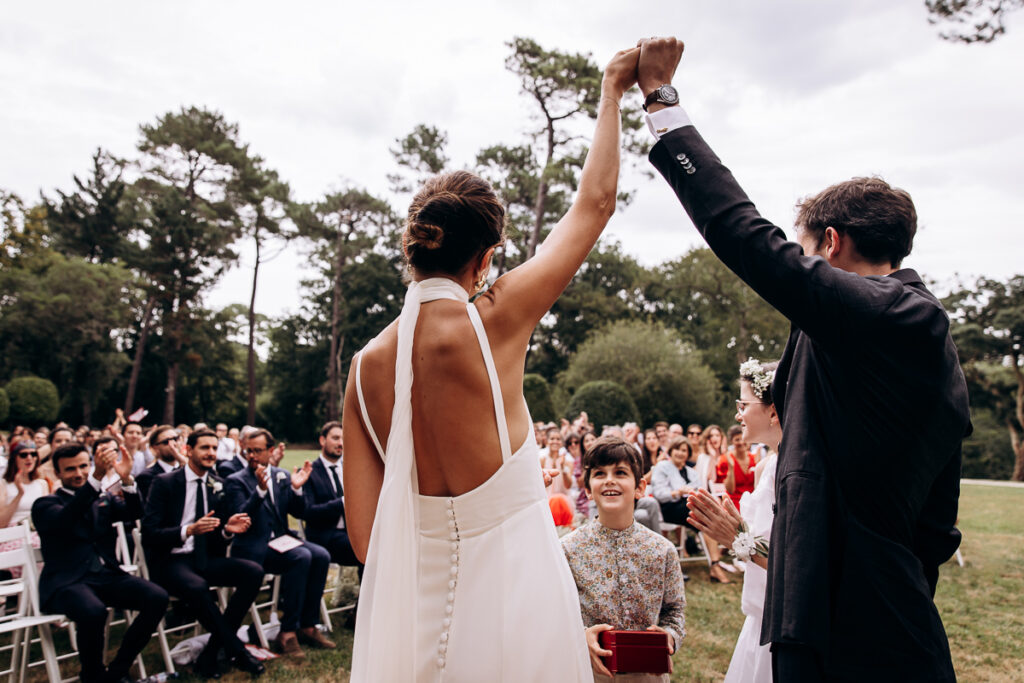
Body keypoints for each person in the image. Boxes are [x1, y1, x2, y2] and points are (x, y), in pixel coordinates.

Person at [639, 36, 970, 682]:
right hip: (847, 621)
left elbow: (748, 238)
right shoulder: (913, 341)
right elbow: (939, 525)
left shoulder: (895, 317)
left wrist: (662, 101)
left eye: (808, 253)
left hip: (862, 638)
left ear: (833, 244)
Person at [342, 46, 640, 682]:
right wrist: (613, 88)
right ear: (488, 254)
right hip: (518, 594)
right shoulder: (493, 320)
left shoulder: (365, 367)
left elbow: (367, 541)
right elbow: (596, 204)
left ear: (414, 246)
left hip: (411, 614)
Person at [32, 441, 169, 683]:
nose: (79, 473)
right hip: (67, 582)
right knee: (94, 612)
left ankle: (117, 671)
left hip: (106, 576)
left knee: (156, 597)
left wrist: (127, 480)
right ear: (58, 474)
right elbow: (67, 518)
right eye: (70, 469)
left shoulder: (101, 498)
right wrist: (95, 479)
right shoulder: (45, 505)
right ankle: (92, 676)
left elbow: (134, 513)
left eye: (84, 466)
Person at [141, 428, 265, 678]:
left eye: (214, 448)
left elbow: (218, 535)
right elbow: (149, 534)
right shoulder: (165, 483)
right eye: (204, 448)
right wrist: (188, 530)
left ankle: (211, 652)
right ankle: (238, 652)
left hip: (203, 558)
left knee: (253, 572)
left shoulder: (217, 483)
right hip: (170, 560)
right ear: (188, 450)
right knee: (197, 587)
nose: (211, 453)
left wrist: (228, 531)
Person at [561, 436, 685, 682]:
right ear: (587, 489)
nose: (609, 480)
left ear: (640, 487)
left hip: (647, 673)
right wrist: (580, 635)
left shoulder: (662, 550)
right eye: (599, 473)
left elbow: (675, 608)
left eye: (619, 472)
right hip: (589, 669)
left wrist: (669, 636)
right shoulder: (567, 549)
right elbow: (555, 611)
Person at [693, 358, 781, 683]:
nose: (737, 414)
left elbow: (798, 565)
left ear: (773, 410)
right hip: (759, 617)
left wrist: (736, 540)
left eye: (743, 404)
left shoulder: (795, 472)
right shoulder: (767, 467)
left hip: (783, 622)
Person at [224, 427, 335, 659]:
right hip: (254, 546)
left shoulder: (281, 475)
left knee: (321, 555)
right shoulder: (235, 481)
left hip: (282, 540)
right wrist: (260, 492)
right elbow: (241, 518)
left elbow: (299, 511)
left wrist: (296, 489)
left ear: (270, 451)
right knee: (301, 557)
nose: (252, 456)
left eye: (257, 451)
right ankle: (287, 631)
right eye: (248, 451)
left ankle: (308, 624)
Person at [303, 421, 363, 570]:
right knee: (368, 550)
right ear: (322, 440)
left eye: (344, 439)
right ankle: (365, 594)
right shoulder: (310, 472)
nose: (341, 443)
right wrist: (342, 502)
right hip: (326, 536)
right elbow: (308, 512)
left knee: (382, 544)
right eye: (336, 438)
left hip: (354, 532)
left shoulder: (351, 468)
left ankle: (369, 593)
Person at [136, 425, 184, 500]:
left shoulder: (186, 469)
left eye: (176, 439)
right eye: (166, 442)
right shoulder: (147, 477)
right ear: (154, 448)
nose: (173, 444)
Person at [717, 425, 756, 510]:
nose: (741, 442)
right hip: (734, 503)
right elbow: (730, 490)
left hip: (752, 502)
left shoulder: (754, 458)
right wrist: (731, 468)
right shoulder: (725, 459)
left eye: (743, 438)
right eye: (737, 439)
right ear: (732, 442)